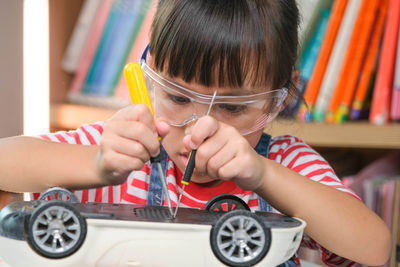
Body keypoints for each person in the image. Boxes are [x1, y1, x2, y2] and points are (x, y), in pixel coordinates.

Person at [0, 0, 391, 266]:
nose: (199, 128)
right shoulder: (123, 146)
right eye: (177, 97)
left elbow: (376, 250)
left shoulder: (284, 164)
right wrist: (96, 164)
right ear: (149, 71)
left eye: (233, 108)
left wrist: (264, 175)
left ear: (280, 97)